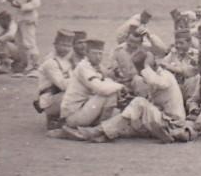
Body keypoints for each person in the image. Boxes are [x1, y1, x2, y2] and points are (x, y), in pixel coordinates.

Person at [60, 50, 191, 143]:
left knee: (139, 103)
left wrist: (145, 67)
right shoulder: (153, 77)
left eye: (141, 70)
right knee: (131, 120)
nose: (140, 73)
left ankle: (96, 131)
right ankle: (104, 134)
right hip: (160, 120)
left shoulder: (165, 76)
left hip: (172, 122)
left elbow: (156, 82)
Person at [59, 39, 125, 127]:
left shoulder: (97, 66)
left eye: (100, 53)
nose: (98, 57)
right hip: (73, 116)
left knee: (111, 87)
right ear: (86, 53)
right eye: (94, 53)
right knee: (110, 93)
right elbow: (101, 89)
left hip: (83, 110)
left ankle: (101, 126)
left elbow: (108, 79)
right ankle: (101, 128)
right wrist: (121, 86)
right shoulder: (83, 67)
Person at [34, 29, 75, 130]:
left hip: (58, 96)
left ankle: (64, 119)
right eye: (63, 45)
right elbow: (62, 85)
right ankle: (53, 119)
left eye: (68, 46)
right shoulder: (50, 62)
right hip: (50, 99)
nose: (66, 49)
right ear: (55, 44)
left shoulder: (66, 59)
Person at [5, 0, 41, 77]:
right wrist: (13, 2)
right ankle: (25, 64)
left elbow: (35, 3)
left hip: (28, 19)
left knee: (29, 43)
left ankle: (35, 66)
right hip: (21, 19)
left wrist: (21, 5)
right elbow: (20, 5)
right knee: (21, 43)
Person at [107, 26, 151, 98]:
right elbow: (111, 66)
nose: (132, 44)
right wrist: (116, 71)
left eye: (136, 42)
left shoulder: (144, 52)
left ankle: (143, 99)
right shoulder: (118, 50)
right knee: (109, 74)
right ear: (126, 39)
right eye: (130, 41)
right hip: (120, 79)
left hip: (135, 81)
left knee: (138, 80)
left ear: (140, 43)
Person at [158, 27, 199, 99]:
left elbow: (186, 72)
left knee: (192, 79)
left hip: (190, 90)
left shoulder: (195, 55)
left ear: (189, 43)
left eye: (181, 43)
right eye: (176, 43)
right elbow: (163, 63)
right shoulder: (174, 53)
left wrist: (170, 64)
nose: (178, 46)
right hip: (175, 88)